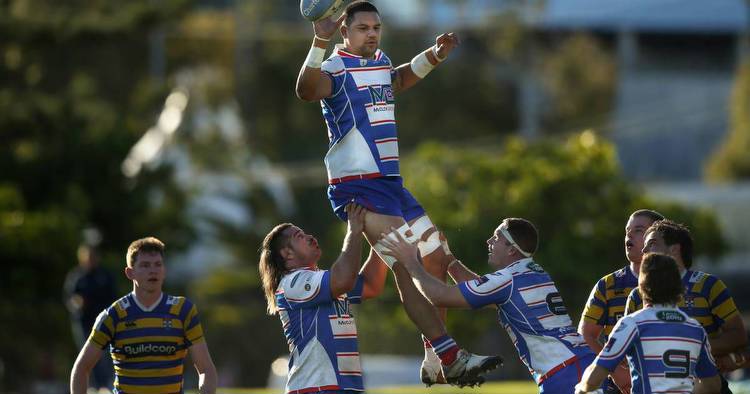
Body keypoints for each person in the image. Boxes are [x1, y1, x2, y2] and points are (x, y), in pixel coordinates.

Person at [295, 1, 500, 385]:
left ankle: (434, 362)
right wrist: (318, 42)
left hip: (392, 185)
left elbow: (398, 80)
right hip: (357, 187)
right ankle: (451, 354)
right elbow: (306, 90)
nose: (371, 33)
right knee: (407, 263)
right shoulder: (334, 67)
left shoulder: (379, 61)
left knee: (436, 257)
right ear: (345, 32)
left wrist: (434, 56)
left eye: (376, 26)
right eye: (362, 28)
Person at [259, 204, 499, 392]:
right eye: (299, 236)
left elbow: (371, 285)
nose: (310, 236)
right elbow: (344, 278)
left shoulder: (318, 281)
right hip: (314, 388)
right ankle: (447, 356)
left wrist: (379, 237)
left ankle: (444, 357)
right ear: (287, 254)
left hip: (342, 387)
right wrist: (353, 231)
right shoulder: (293, 284)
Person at [379, 218, 598, 393]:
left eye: (496, 237)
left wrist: (410, 262)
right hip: (575, 365)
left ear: (512, 249)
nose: (489, 242)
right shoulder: (534, 272)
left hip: (565, 373)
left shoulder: (507, 279)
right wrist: (450, 262)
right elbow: (488, 292)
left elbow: (439, 296)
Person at [70, 237, 217, 394]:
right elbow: (81, 368)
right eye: (145, 265)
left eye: (158, 265)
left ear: (164, 271)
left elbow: (205, 368)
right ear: (130, 273)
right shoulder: (113, 316)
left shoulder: (183, 311)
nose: (153, 270)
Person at [624, 219, 747, 394]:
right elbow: (625, 347)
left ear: (675, 249)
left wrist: (693, 349)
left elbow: (738, 336)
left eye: (651, 243)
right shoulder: (636, 295)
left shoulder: (709, 286)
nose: (643, 251)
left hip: (708, 384)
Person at [575, 253, 721, 393]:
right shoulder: (695, 328)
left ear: (641, 286)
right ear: (679, 286)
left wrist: (581, 389)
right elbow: (712, 385)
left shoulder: (633, 324)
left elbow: (595, 376)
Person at [578, 209, 665, 393]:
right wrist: (615, 370)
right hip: (617, 384)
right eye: (627, 231)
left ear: (657, 238)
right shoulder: (607, 285)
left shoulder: (677, 284)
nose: (629, 236)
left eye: (638, 230)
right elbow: (586, 334)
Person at [64, 243, 117, 391]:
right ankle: (92, 387)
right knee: (86, 355)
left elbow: (113, 299)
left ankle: (105, 386)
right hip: (83, 323)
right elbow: (70, 298)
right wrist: (77, 303)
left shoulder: (105, 275)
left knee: (105, 356)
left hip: (104, 323)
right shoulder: (76, 276)